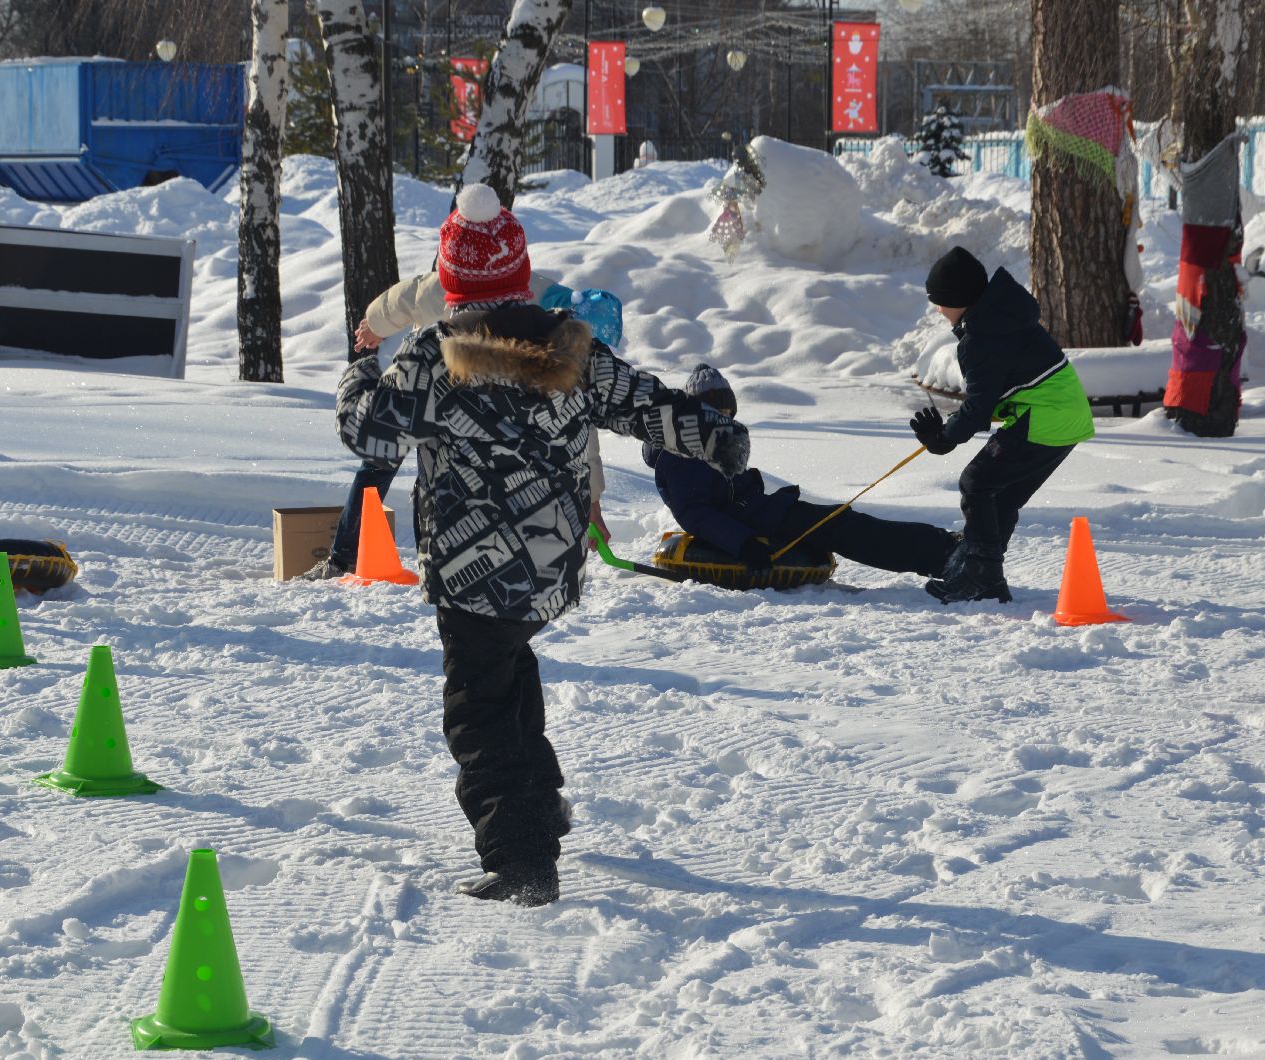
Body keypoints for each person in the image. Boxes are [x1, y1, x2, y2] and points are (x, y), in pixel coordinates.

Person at [336, 183, 748, 906]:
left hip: (470, 572)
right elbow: (643, 403)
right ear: (519, 276)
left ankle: (522, 855)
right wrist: (712, 434)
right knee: (509, 667)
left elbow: (366, 433)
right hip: (551, 562)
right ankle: (543, 804)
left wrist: (360, 366)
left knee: (478, 709)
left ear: (453, 284)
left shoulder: (434, 359)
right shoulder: (569, 346)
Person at [303, 266, 612, 580]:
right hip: (430, 385)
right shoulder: (493, 287)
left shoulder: (554, 337)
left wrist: (592, 498)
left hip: (469, 406)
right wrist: (375, 322)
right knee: (389, 461)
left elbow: (581, 430)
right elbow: (408, 296)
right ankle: (344, 558)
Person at [646, 364, 960, 581]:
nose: (722, 421)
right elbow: (695, 513)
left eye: (727, 414)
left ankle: (944, 547)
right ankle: (943, 556)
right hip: (754, 522)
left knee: (843, 521)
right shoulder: (680, 454)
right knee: (845, 527)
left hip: (762, 513)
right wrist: (743, 545)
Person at [909, 246, 1094, 603]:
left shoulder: (981, 339)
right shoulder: (1002, 318)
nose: (937, 309)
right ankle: (979, 571)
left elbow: (979, 408)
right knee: (1000, 497)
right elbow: (998, 394)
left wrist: (945, 438)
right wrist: (950, 429)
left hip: (1045, 417)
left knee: (976, 483)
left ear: (959, 298)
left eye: (939, 301)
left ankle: (982, 577)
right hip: (1065, 417)